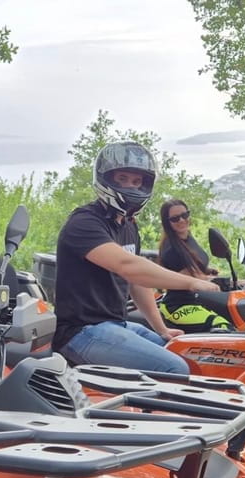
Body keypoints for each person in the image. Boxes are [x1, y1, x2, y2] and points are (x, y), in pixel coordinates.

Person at [51, 141, 219, 374]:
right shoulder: (84, 222)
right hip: (81, 331)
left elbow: (136, 282)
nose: (130, 186)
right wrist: (191, 282)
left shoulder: (128, 226)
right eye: (122, 179)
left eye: (137, 181)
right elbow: (128, 266)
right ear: (105, 179)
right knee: (174, 367)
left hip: (116, 324)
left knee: (185, 353)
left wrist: (162, 329)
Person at [157, 199, 231, 333]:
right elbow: (191, 278)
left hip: (199, 300)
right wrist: (219, 281)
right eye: (175, 218)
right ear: (167, 223)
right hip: (180, 305)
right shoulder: (170, 249)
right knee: (221, 326)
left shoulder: (187, 238)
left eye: (185, 215)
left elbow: (197, 267)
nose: (181, 220)